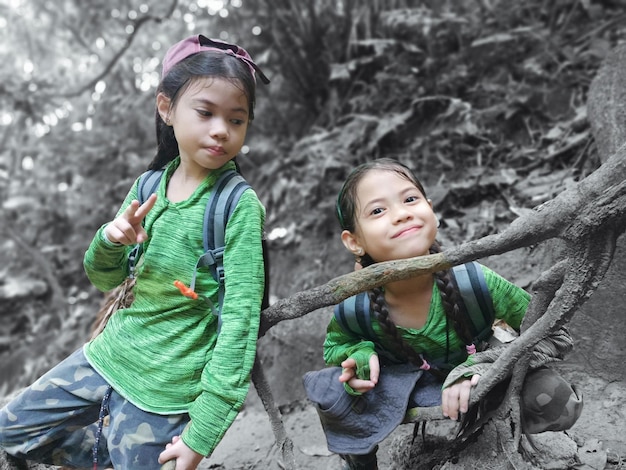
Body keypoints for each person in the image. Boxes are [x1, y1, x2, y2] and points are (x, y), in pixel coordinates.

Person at [0, 34, 269, 470]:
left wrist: (201, 434)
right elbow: (106, 278)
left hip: (165, 384)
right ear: (167, 109)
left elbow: (240, 324)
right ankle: (109, 448)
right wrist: (111, 238)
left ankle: (121, 446)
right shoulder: (149, 187)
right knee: (9, 431)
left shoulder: (235, 205)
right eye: (205, 112)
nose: (221, 129)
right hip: (106, 356)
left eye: (236, 120)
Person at [303, 158, 582, 470]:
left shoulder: (473, 282)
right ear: (353, 241)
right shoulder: (356, 306)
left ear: (430, 209)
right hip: (407, 384)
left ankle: (500, 437)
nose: (401, 213)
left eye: (410, 199)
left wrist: (483, 369)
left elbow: (556, 334)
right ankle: (359, 460)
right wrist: (359, 355)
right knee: (329, 388)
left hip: (479, 379)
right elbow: (334, 347)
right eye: (378, 211)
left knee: (558, 401)